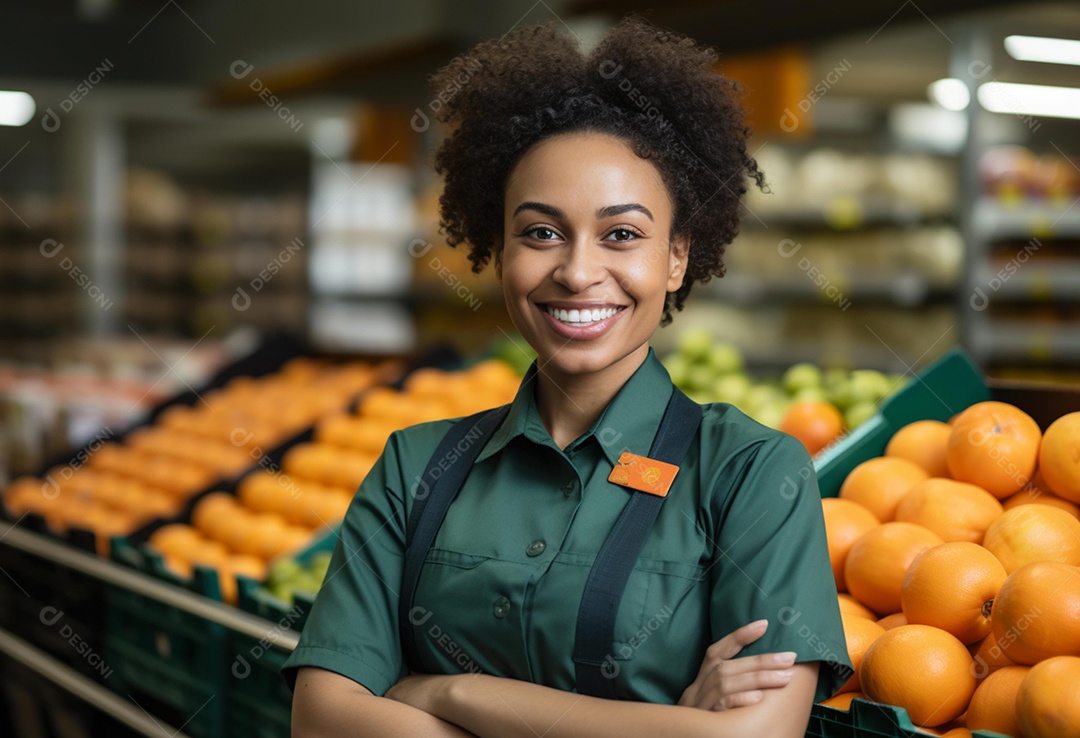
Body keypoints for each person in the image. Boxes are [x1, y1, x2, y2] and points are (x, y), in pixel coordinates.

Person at [283, 13, 851, 737]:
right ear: (501, 252)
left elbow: (755, 736)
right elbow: (320, 722)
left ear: (677, 257)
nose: (578, 272)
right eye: (542, 232)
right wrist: (664, 726)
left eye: (623, 234)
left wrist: (450, 694)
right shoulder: (413, 468)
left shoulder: (751, 474)